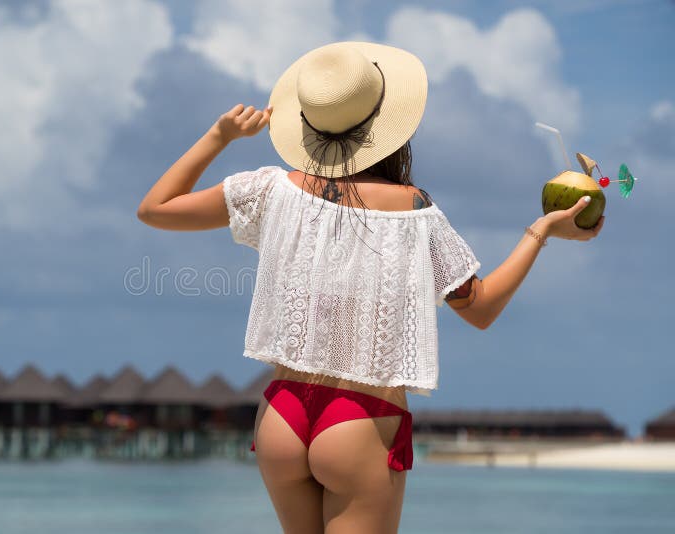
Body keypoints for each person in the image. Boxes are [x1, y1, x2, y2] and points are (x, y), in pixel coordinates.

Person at [137, 41, 603, 534]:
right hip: (360, 419)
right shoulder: (414, 209)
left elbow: (155, 209)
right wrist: (540, 233)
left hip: (282, 412)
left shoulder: (270, 189)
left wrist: (220, 135)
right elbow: (480, 308)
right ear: (385, 127)